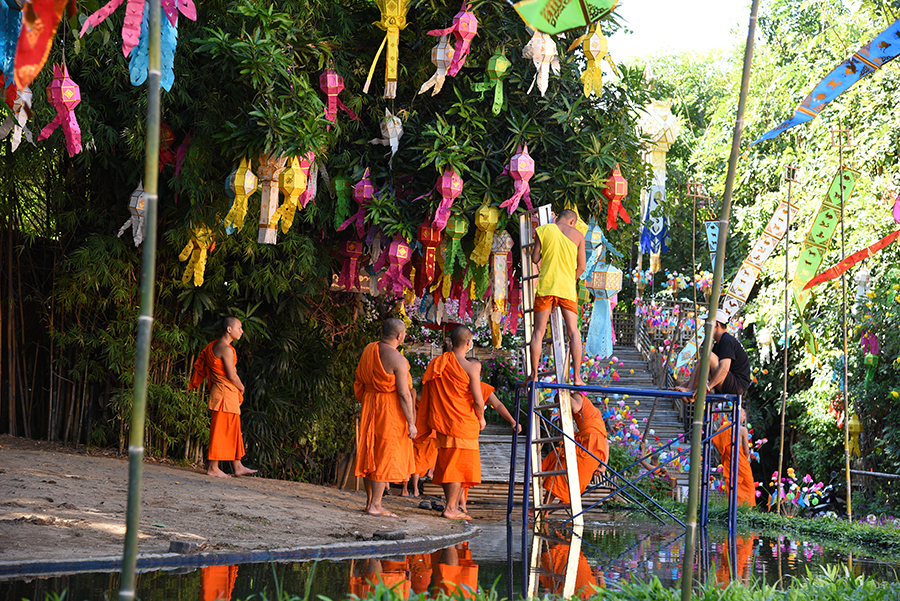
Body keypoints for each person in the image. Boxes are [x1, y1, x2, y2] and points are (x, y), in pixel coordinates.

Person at [417, 326, 486, 520]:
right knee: (456, 467)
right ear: (469, 343)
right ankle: (450, 508)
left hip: (444, 421)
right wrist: (481, 418)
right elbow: (478, 400)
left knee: (449, 465)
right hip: (463, 423)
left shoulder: (438, 363)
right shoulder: (471, 367)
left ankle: (453, 505)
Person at [353, 318, 417, 517]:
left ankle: (369, 503)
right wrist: (411, 423)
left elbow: (359, 379)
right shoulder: (398, 360)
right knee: (383, 454)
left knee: (370, 452)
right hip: (389, 410)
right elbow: (404, 394)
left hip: (370, 403)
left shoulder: (369, 350)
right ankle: (376, 505)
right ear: (400, 336)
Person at [189, 316, 257, 478]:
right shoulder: (226, 349)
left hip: (224, 393)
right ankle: (213, 467)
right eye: (239, 328)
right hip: (225, 394)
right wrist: (242, 387)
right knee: (220, 430)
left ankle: (237, 465)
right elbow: (232, 376)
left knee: (233, 430)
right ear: (229, 329)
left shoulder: (214, 345)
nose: (242, 331)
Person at [529, 209, 587, 386]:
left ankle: (534, 375)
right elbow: (582, 267)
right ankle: (577, 377)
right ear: (572, 222)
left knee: (538, 331)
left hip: (547, 285)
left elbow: (534, 258)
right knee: (573, 332)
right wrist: (570, 279)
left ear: (558, 218)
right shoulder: (578, 236)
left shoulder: (544, 230)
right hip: (567, 288)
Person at [541, 391, 608, 505]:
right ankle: (546, 510)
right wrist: (603, 466)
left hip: (591, 446)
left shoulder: (577, 396)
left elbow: (575, 408)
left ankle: (546, 508)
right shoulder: (588, 416)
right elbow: (605, 442)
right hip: (591, 447)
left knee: (565, 475)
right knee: (560, 469)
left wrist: (603, 467)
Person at [675, 308, 751, 398]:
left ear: (716, 325)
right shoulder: (718, 344)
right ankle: (689, 390)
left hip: (737, 386)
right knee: (701, 361)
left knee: (708, 356)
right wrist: (682, 387)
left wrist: (707, 388)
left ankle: (691, 390)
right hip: (728, 382)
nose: (703, 327)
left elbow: (724, 369)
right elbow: (705, 370)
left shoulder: (727, 340)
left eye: (706, 324)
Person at [712, 409, 756, 507]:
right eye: (744, 415)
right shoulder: (743, 430)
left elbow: (716, 439)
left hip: (730, 461)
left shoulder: (725, 428)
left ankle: (734, 507)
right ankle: (746, 508)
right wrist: (747, 458)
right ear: (739, 415)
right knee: (749, 486)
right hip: (742, 462)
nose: (744, 418)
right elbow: (746, 451)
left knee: (733, 484)